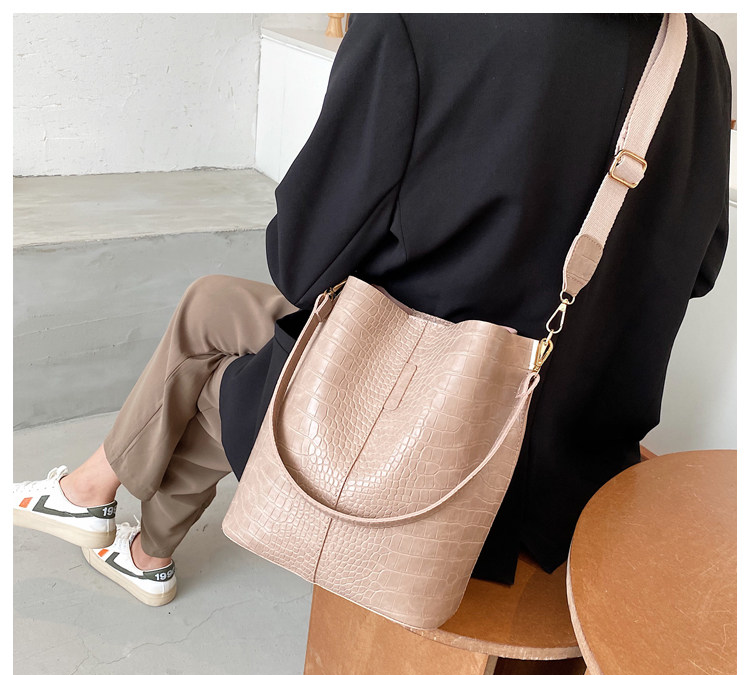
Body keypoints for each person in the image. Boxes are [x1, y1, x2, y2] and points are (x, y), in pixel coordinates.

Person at [14, 13, 731, 605]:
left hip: (428, 448)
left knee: (223, 380)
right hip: (575, 460)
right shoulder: (695, 55)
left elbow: (302, 262)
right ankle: (111, 518)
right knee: (211, 305)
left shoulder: (424, 22)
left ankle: (124, 530)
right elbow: (699, 269)